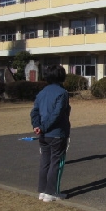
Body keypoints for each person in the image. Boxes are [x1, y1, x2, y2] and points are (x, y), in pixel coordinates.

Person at [30, 65, 71, 203]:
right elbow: (57, 114)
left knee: (45, 162)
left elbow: (34, 111)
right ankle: (52, 192)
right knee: (56, 163)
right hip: (57, 133)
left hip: (43, 134)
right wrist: (43, 127)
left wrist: (37, 126)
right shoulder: (62, 93)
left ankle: (43, 190)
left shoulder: (41, 93)